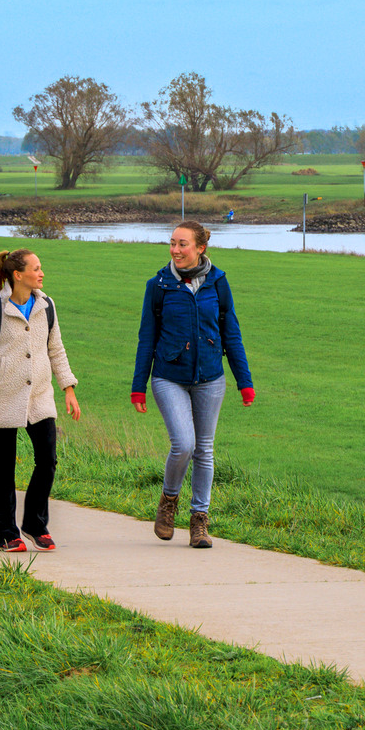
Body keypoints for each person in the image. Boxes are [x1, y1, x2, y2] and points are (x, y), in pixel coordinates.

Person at [131, 222, 254, 549]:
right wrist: (138, 385)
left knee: (204, 449)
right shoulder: (158, 285)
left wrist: (244, 381)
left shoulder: (218, 282)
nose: (174, 250)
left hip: (210, 378)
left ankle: (200, 520)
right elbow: (147, 338)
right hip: (168, 376)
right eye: (172, 243)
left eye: (182, 244)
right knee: (184, 444)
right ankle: (168, 501)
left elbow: (232, 334)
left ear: (200, 248)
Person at [0, 249, 80, 553]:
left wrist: (68, 387)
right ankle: (6, 534)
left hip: (40, 396)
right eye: (36, 268)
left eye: (41, 268)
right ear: (18, 275)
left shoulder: (46, 305)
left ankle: (34, 524)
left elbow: (56, 349)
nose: (41, 273)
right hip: (2, 397)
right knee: (5, 465)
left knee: (48, 459)